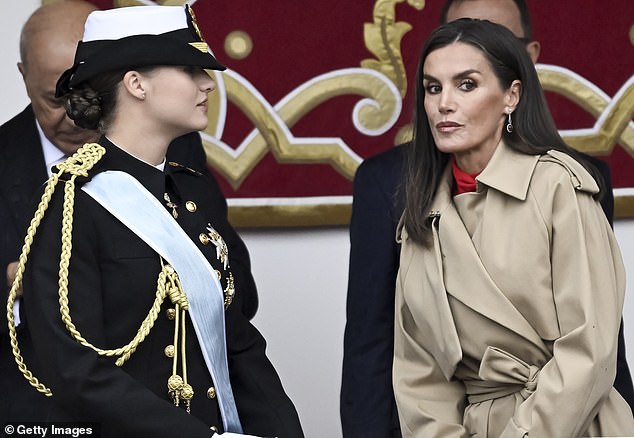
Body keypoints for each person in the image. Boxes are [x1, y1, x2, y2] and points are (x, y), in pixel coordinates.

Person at [340, 1, 633, 436]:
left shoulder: (559, 188)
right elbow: (419, 375)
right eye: (433, 88)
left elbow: (589, 349)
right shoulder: (419, 212)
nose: (445, 104)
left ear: (511, 95)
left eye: (467, 85)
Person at [8, 5, 303, 437]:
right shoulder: (73, 202)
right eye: (189, 68)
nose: (207, 83)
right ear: (136, 83)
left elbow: (238, 343)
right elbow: (75, 369)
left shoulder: (189, 191)